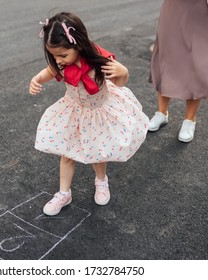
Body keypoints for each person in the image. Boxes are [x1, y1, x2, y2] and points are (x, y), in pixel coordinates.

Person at [29, 12, 149, 216]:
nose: (59, 60)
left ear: (78, 45)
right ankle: (64, 193)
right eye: (55, 55)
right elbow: (50, 71)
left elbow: (118, 83)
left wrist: (124, 72)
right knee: (66, 153)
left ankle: (101, 181)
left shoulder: (99, 61)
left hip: (97, 111)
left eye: (63, 55)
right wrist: (36, 79)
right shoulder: (60, 62)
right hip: (73, 110)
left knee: (97, 151)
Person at [148, 0, 208, 142]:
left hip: (204, 12)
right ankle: (162, 112)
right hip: (175, 8)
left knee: (198, 62)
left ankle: (189, 119)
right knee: (167, 57)